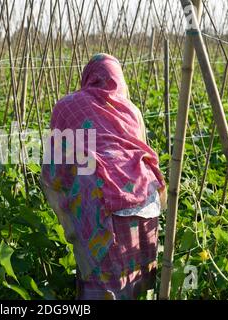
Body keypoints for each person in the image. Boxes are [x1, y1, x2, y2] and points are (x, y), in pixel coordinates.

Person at [41, 53, 166, 300]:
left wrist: (67, 198)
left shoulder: (67, 105)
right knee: (138, 281)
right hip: (147, 200)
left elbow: (55, 165)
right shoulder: (131, 110)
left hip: (102, 203)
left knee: (104, 285)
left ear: (88, 77)